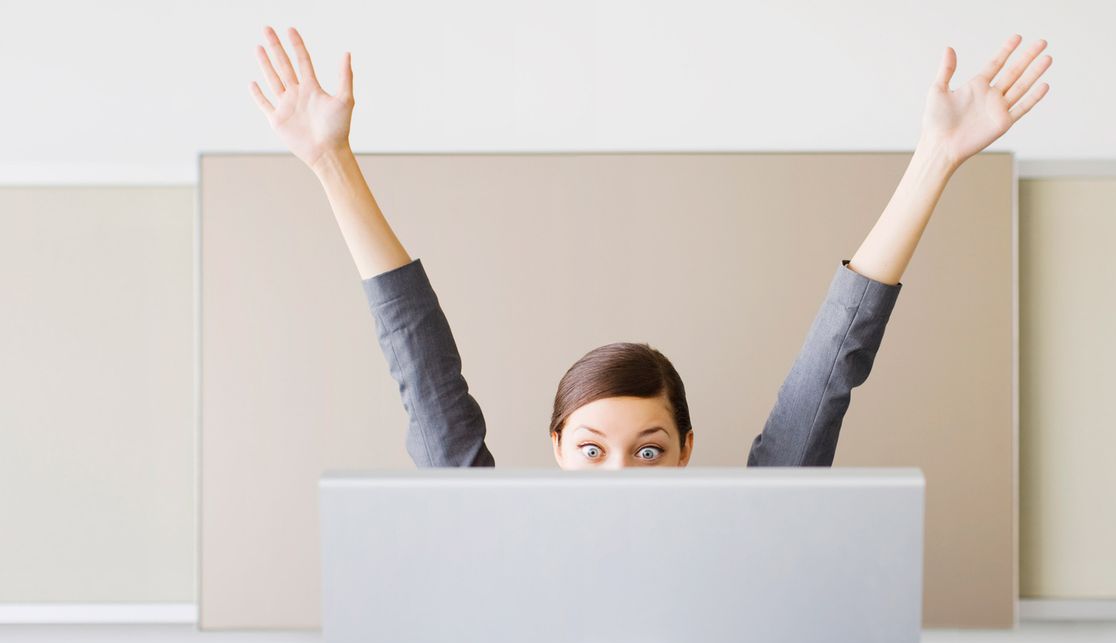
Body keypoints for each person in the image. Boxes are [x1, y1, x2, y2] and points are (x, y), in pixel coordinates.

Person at [249, 27, 1051, 470]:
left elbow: (834, 362)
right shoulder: (490, 537)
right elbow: (420, 372)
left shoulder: (753, 532)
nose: (618, 475)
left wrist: (934, 163)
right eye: (591, 450)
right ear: (556, 450)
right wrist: (331, 163)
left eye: (647, 451)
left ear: (686, 452)